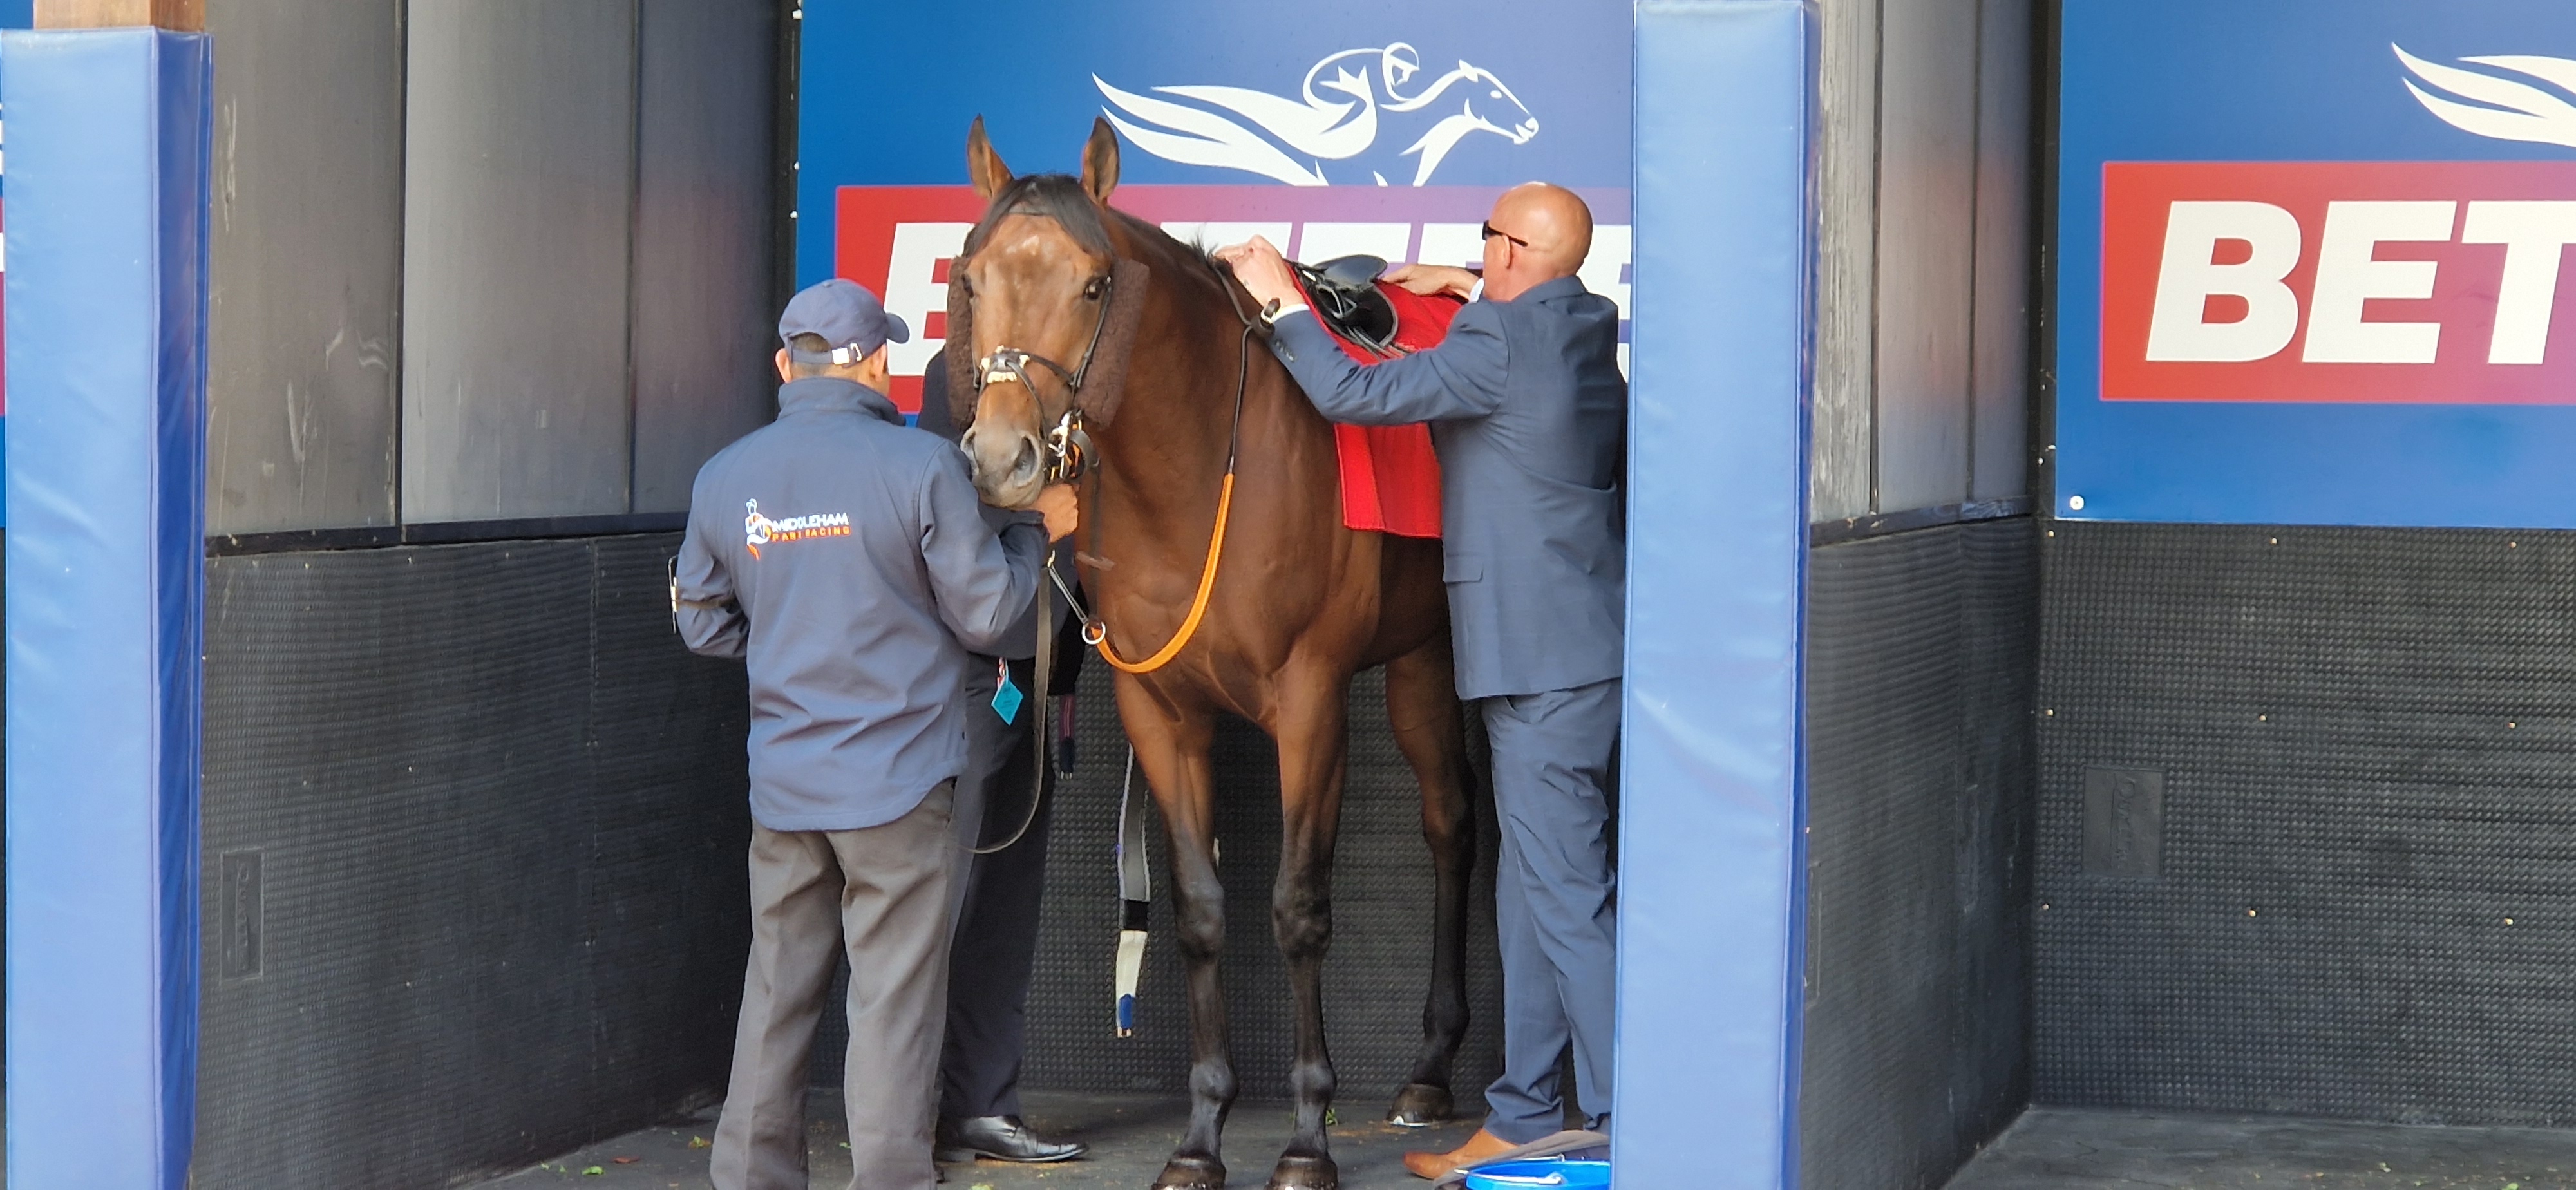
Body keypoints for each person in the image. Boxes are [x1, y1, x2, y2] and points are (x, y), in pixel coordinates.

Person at [1215, 182, 1626, 1181]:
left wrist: (1277, 301)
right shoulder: (1582, 332)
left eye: (1487, 239)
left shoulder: (1497, 345)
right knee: (1533, 895)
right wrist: (1471, 287)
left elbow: (1354, 395)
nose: (1477, 250)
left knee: (1568, 903)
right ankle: (1526, 1110)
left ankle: (1634, 1125)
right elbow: (1513, 345)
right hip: (1579, 650)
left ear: (1516, 252)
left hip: (1537, 663)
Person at [674, 278, 1079, 1190]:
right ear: (877, 363)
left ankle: (749, 1177)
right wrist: (1031, 535)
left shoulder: (725, 476)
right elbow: (990, 618)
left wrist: (786, 641)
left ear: (787, 364)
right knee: (893, 1004)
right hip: (898, 790)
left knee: (776, 994)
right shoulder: (920, 469)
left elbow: (702, 627)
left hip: (784, 789)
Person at [913, 352, 1089, 1166]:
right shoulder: (957, 379)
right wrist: (1041, 524)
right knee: (943, 906)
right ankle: (905, 1120)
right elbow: (959, 525)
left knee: (1004, 909)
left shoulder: (1077, 379)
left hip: (1036, 681)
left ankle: (981, 1106)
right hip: (969, 685)